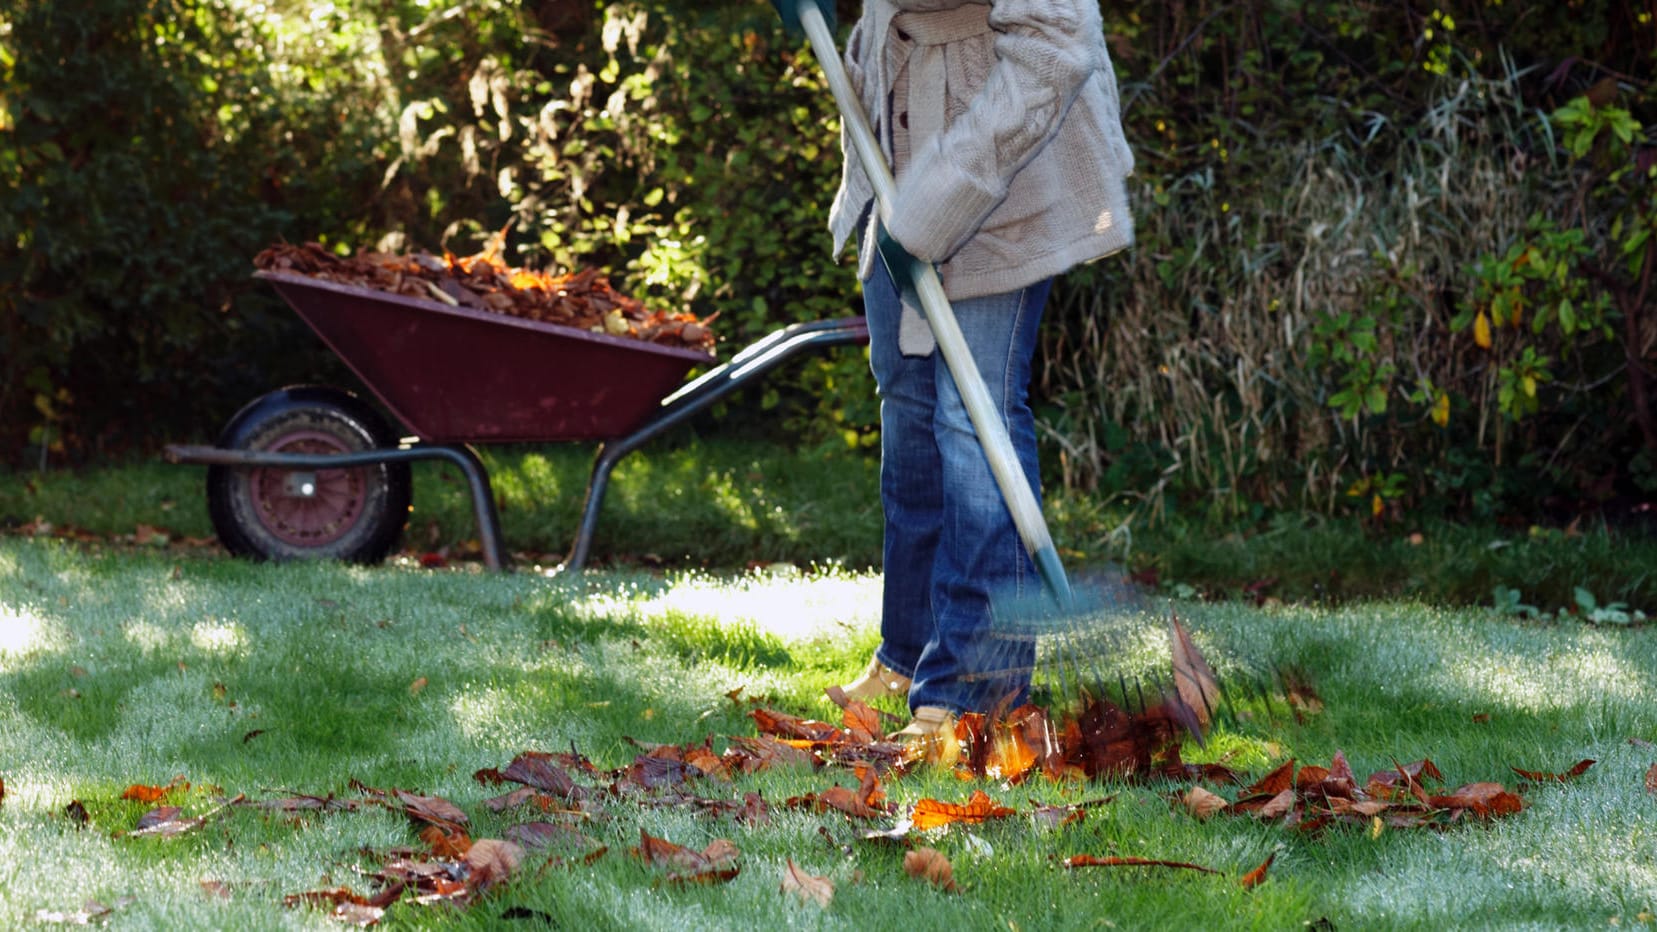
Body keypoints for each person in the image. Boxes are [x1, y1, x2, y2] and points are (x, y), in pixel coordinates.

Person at [824, 0, 1135, 747]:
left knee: (973, 416)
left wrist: (936, 206)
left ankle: (978, 694)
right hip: (898, 142)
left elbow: (1054, 45)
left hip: (1000, 157)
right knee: (907, 404)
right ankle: (909, 654)